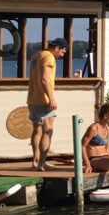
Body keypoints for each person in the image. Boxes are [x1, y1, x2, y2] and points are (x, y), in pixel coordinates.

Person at [27, 38, 68, 171]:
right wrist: (51, 98)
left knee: (37, 130)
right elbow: (45, 79)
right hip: (44, 99)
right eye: (62, 51)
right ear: (56, 48)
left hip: (32, 98)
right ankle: (41, 164)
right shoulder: (49, 57)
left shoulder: (36, 55)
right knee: (48, 131)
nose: (62, 55)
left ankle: (36, 160)